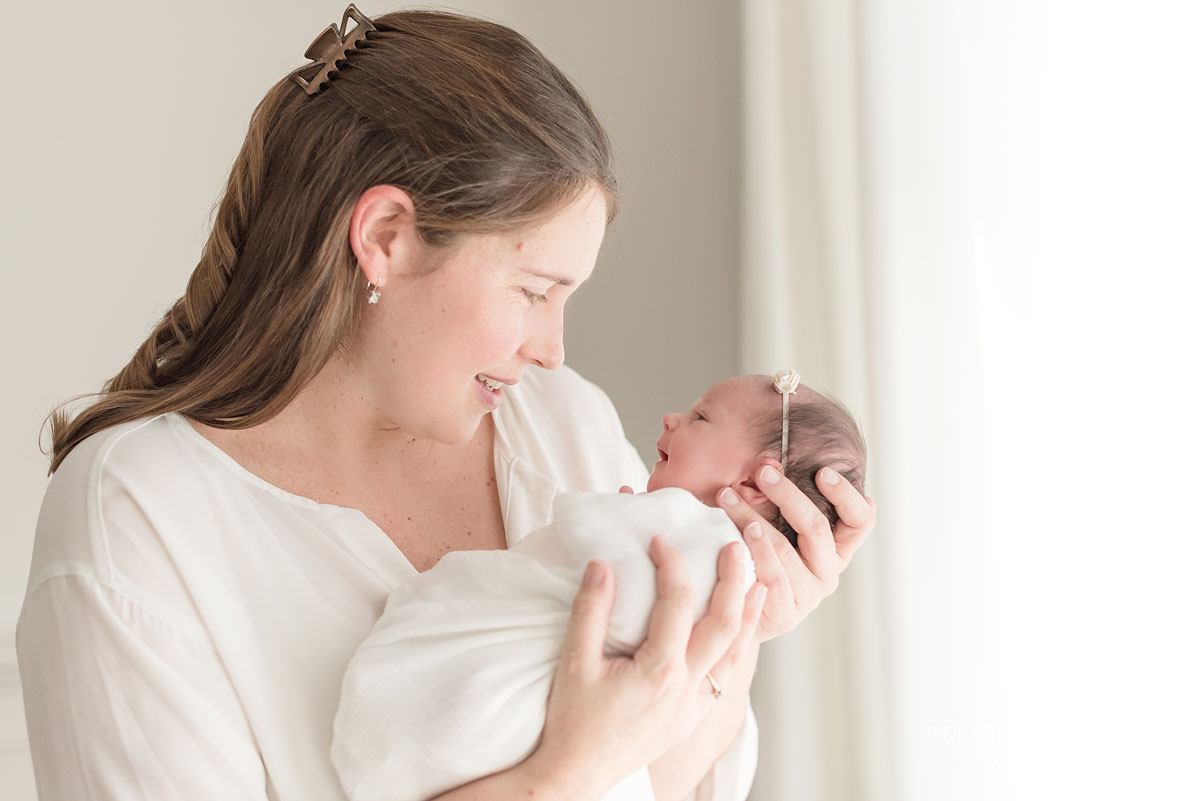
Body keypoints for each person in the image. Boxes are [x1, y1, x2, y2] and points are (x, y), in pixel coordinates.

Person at [16, 7, 875, 801]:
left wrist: (742, 615)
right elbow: (606, 764)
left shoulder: (562, 425)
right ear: (385, 238)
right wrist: (557, 775)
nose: (553, 348)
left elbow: (665, 775)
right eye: (534, 290)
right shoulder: (137, 521)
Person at [331, 373, 867, 801]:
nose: (672, 418)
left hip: (455, 723)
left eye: (701, 416)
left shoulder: (690, 533)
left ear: (753, 481)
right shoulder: (670, 518)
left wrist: (748, 626)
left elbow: (655, 775)